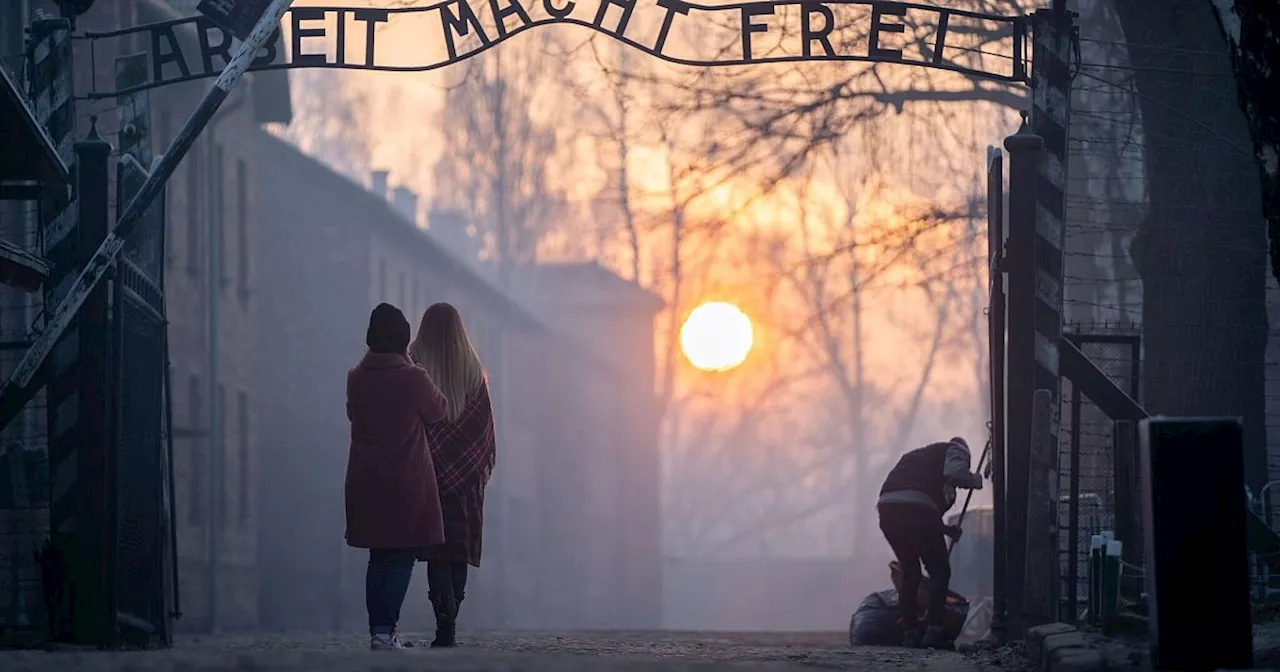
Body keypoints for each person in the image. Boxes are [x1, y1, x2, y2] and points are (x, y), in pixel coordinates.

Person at [345, 303, 449, 650]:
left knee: (378, 556)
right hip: (405, 482)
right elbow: (438, 411)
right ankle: (385, 631)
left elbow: (352, 414)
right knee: (402, 555)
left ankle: (379, 630)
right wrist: (416, 368)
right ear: (404, 339)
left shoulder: (356, 378)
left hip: (366, 480)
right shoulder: (412, 378)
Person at [409, 302, 497, 648]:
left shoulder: (415, 365)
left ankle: (443, 622)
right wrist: (471, 468)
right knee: (457, 552)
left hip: (427, 477)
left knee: (437, 554)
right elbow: (483, 431)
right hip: (466, 485)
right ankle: (451, 620)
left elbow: (410, 421)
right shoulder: (474, 370)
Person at [877, 436, 984, 649]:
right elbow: (954, 474)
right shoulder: (956, 448)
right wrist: (974, 480)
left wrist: (944, 529)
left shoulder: (916, 459)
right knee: (939, 571)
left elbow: (915, 498)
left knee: (911, 571)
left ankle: (911, 632)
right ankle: (934, 631)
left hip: (888, 510)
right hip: (916, 511)